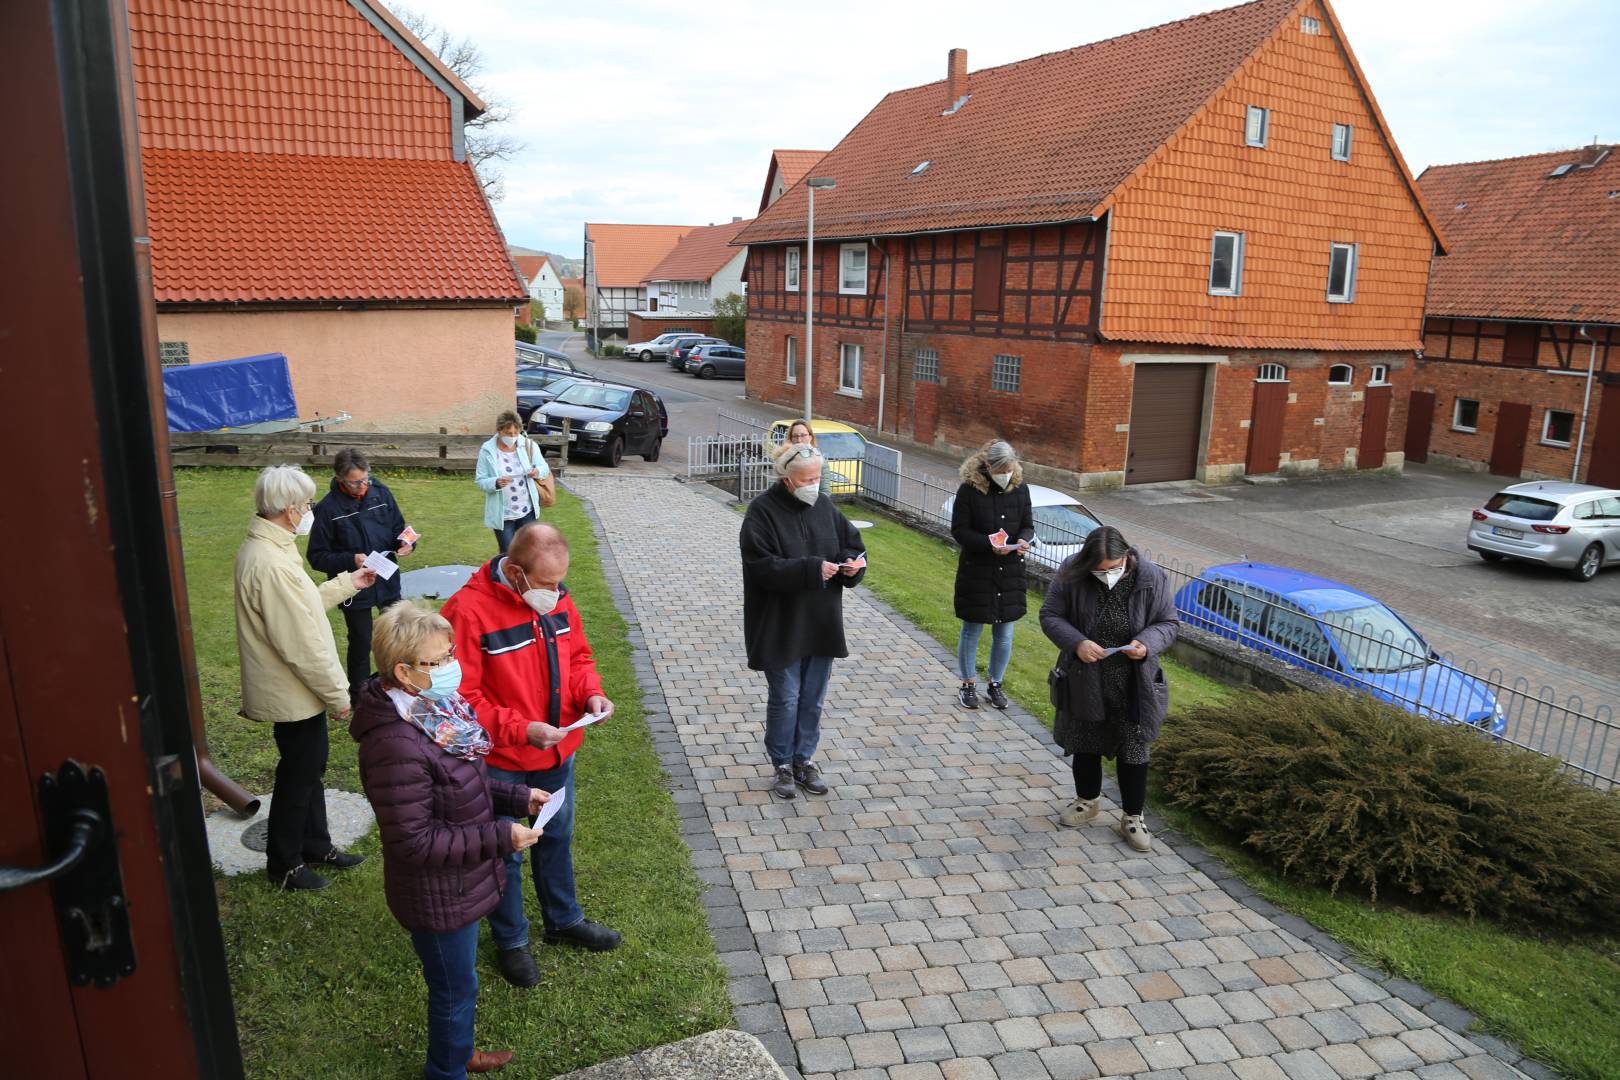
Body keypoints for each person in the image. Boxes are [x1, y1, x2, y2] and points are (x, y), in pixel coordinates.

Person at [352, 602, 547, 1079]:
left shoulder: (435, 710)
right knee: (454, 988)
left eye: (450, 654)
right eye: (438, 661)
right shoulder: (395, 743)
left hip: (460, 883)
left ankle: (457, 1053)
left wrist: (519, 797)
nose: (451, 667)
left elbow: (463, 786)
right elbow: (414, 841)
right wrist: (500, 836)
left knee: (461, 982)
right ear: (404, 670)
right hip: (436, 894)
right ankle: (447, 1070)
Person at [439, 522, 621, 987]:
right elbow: (462, 698)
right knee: (507, 853)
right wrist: (521, 730)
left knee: (557, 835)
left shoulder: (558, 598)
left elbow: (579, 658)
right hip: (502, 762)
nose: (555, 594)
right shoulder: (467, 611)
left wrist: (592, 696)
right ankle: (512, 941)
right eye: (544, 585)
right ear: (515, 572)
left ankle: (563, 920)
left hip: (556, 754)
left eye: (559, 584)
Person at [233, 464, 377, 890]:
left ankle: (316, 844)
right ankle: (285, 863)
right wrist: (339, 695)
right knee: (299, 772)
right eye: (307, 504)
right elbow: (302, 644)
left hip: (294, 688)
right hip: (291, 690)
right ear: (291, 509)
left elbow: (302, 606)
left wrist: (348, 582)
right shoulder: (270, 562)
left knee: (309, 767)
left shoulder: (270, 550)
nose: (310, 510)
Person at [1038, 525, 1178, 852]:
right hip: (1085, 674)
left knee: (1134, 747)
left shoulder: (1150, 577)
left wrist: (1146, 643)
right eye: (1099, 570)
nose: (1107, 574)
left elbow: (1168, 623)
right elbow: (1050, 615)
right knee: (1085, 739)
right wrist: (1077, 643)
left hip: (1133, 680)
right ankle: (1087, 801)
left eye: (1114, 567)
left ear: (1127, 556)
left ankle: (1132, 817)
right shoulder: (1072, 571)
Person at [739, 445, 867, 801]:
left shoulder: (824, 506)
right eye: (807, 479)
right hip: (780, 622)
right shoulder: (761, 512)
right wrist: (812, 569)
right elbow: (761, 567)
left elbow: (852, 544)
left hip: (820, 620)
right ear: (787, 479)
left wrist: (852, 563)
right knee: (787, 697)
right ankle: (781, 764)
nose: (814, 484)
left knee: (813, 699)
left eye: (817, 477)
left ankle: (804, 759)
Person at [306, 447, 414, 701]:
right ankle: (360, 695)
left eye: (366, 479)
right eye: (356, 483)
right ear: (341, 478)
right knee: (361, 641)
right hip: (354, 586)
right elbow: (317, 556)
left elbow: (400, 527)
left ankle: (400, 687)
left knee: (398, 634)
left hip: (387, 579)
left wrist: (406, 543)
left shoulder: (381, 492)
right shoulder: (327, 509)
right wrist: (350, 559)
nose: (363, 486)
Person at [950, 440, 1034, 712]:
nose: (1005, 474)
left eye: (1009, 469)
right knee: (972, 630)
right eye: (1000, 469)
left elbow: (1028, 525)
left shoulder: (1021, 490)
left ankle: (996, 684)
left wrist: (1022, 540)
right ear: (987, 466)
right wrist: (988, 544)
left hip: (1009, 572)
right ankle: (968, 684)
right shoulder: (969, 490)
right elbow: (960, 531)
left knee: (1005, 633)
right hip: (978, 571)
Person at [476, 411, 551, 554]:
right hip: (503, 515)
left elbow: (544, 468)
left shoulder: (528, 445)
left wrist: (537, 471)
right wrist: (496, 482)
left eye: (516, 433)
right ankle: (503, 575)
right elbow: (480, 480)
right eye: (509, 433)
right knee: (508, 554)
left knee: (531, 552)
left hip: (527, 511)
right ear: (499, 430)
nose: (513, 437)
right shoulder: (487, 450)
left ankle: (528, 576)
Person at [778, 419, 831, 496]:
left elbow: (825, 492)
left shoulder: (820, 461)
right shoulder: (784, 460)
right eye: (795, 436)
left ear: (810, 437)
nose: (799, 440)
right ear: (790, 439)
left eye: (803, 435)